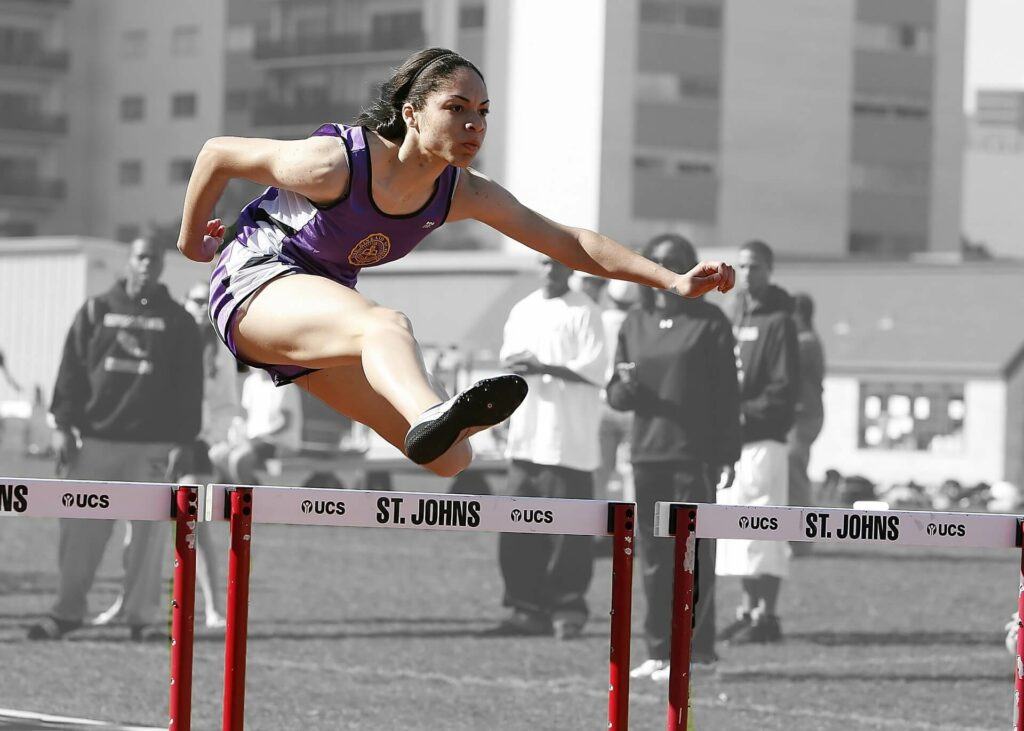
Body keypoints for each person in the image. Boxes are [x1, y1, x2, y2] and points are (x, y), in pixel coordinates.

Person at [176, 47, 734, 482]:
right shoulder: (335, 163)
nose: (475, 125)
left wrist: (671, 279)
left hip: (317, 308)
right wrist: (190, 244)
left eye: (483, 113)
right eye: (458, 109)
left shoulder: (461, 192)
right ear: (412, 113)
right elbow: (217, 154)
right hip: (255, 280)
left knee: (452, 459)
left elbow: (569, 242)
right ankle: (431, 411)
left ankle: (436, 421)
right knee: (386, 325)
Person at [28, 238, 204, 641]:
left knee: (147, 538)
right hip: (95, 442)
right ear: (128, 262)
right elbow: (70, 371)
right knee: (79, 534)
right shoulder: (95, 310)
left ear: (162, 266)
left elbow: (189, 388)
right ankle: (67, 612)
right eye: (141, 257)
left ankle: (141, 618)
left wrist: (184, 440)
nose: (147, 266)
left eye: (154, 259)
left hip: (154, 448)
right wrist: (62, 425)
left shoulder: (179, 322)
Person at [606, 234, 741, 681]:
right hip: (648, 455)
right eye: (658, 262)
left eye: (675, 262)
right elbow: (616, 392)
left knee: (695, 555)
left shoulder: (711, 322)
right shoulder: (633, 323)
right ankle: (658, 651)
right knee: (652, 556)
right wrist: (624, 389)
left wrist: (727, 453)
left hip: (695, 455)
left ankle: (699, 652)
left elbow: (727, 394)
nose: (666, 269)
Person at [93, 281, 234, 630]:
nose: (202, 306)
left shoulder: (220, 351)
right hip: (152, 443)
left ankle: (214, 609)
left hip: (194, 445)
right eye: (196, 299)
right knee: (135, 526)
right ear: (185, 301)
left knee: (195, 526)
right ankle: (126, 602)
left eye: (208, 300)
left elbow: (227, 405)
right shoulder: (166, 339)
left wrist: (208, 440)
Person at [489, 256, 607, 639]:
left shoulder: (585, 311)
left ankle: (566, 607)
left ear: (570, 269)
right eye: (544, 262)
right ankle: (525, 607)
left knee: (568, 531)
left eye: (558, 264)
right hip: (527, 436)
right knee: (517, 525)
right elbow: (509, 363)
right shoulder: (523, 309)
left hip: (566, 441)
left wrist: (544, 367)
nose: (551, 270)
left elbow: (594, 370)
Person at [716, 240, 798, 645]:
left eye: (757, 267)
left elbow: (785, 387)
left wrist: (748, 412)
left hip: (765, 440)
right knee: (738, 529)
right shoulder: (733, 313)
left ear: (770, 270)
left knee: (764, 526)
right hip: (733, 442)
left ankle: (768, 614)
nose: (749, 274)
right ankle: (747, 610)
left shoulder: (781, 321)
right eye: (743, 266)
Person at [212, 367, 302, 484]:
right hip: (252, 441)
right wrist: (239, 432)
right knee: (217, 454)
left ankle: (249, 498)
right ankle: (240, 490)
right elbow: (247, 417)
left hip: (280, 443)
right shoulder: (250, 382)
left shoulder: (285, 384)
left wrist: (259, 436)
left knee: (240, 458)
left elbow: (286, 423)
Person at [595, 279, 640, 503]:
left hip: (602, 403)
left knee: (600, 473)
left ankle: (593, 533)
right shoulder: (638, 323)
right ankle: (631, 533)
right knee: (631, 473)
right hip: (630, 405)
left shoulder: (600, 320)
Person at [787, 292, 825, 556]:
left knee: (794, 469)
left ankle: (801, 539)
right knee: (792, 471)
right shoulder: (807, 341)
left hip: (803, 417)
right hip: (801, 416)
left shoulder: (805, 342)